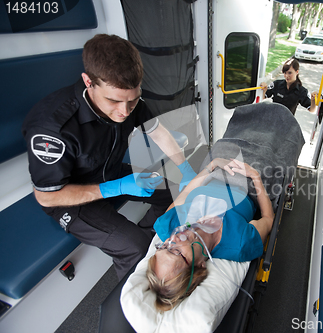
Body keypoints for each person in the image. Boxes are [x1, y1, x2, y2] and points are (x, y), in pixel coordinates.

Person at [21, 34, 197, 280]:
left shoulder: (128, 101)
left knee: (175, 190)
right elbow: (46, 196)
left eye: (132, 100)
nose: (124, 111)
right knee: (132, 247)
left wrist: (187, 169)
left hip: (109, 171)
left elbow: (158, 132)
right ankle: (134, 283)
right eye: (113, 101)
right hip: (70, 197)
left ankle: (152, 239)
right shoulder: (53, 129)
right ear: (88, 82)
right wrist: (118, 187)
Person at [147, 158, 274, 311]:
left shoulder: (166, 225)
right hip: (248, 177)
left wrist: (211, 165)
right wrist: (255, 176)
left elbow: (187, 192)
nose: (173, 238)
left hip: (215, 167)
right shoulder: (240, 242)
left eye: (163, 247)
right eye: (177, 252)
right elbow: (268, 218)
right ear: (200, 266)